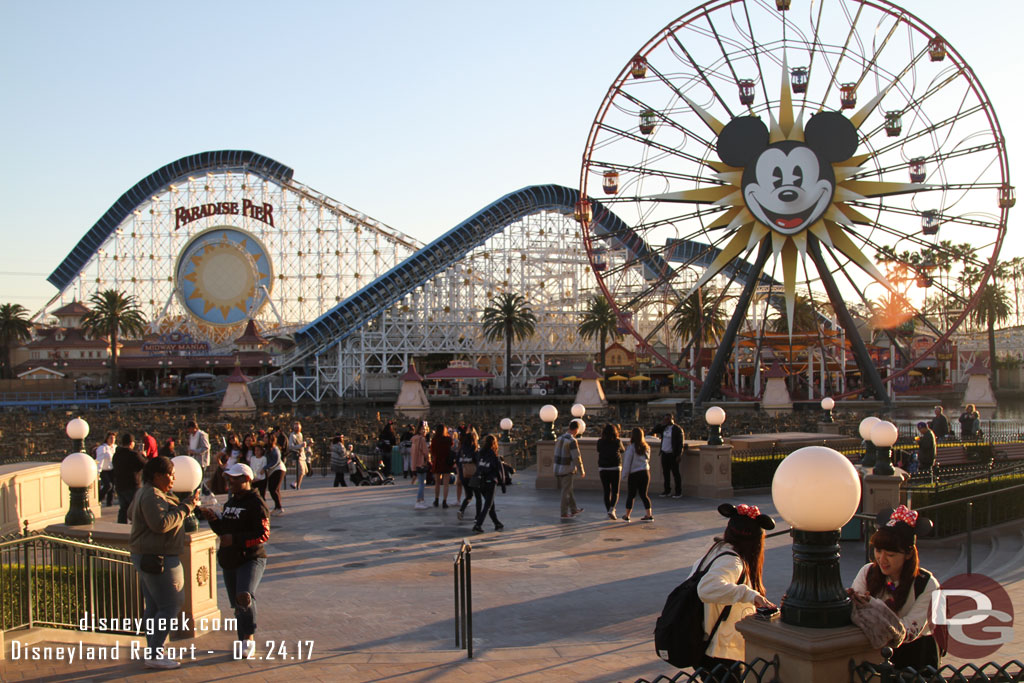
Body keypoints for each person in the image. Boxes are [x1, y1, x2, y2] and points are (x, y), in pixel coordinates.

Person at [128, 456, 200, 670]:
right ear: (158, 475)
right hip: (158, 558)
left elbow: (131, 513)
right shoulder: (151, 495)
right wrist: (186, 508)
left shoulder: (146, 492)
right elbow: (160, 525)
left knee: (153, 606)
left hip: (148, 557)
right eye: (171, 474)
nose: (174, 478)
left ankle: (153, 650)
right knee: (170, 605)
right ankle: (155, 652)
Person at [849, 506, 939, 669]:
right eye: (878, 551)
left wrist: (873, 605)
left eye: (891, 555)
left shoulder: (926, 584)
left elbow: (907, 632)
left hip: (915, 658)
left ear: (909, 554)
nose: (882, 559)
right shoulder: (867, 572)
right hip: (873, 654)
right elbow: (855, 614)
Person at [693, 503, 776, 674]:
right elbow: (706, 588)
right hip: (718, 651)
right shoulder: (732, 561)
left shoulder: (717, 551)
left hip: (703, 643)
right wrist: (749, 594)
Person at [198, 463, 270, 659]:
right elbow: (224, 531)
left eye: (235, 479)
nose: (230, 482)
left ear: (246, 480)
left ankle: (248, 639)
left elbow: (263, 534)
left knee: (244, 595)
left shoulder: (256, 504)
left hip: (251, 557)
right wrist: (213, 519)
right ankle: (242, 639)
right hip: (230, 559)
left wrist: (237, 540)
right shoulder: (231, 503)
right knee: (237, 604)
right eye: (229, 478)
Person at [472, 434, 505, 533]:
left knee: (490, 504)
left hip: (480, 482)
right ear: (494, 444)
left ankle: (497, 523)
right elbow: (500, 472)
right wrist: (503, 485)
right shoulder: (494, 456)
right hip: (490, 482)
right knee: (488, 505)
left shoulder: (480, 454)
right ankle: (478, 524)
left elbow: (477, 465)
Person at [553, 419, 585, 519]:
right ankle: (564, 513)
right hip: (567, 469)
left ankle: (574, 509)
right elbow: (576, 457)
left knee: (568, 489)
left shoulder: (560, 438)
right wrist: (581, 470)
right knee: (566, 492)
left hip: (557, 468)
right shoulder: (572, 441)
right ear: (576, 430)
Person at [112, 432, 146, 524]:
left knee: (123, 508)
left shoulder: (116, 455)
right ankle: (136, 526)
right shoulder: (133, 455)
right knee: (135, 509)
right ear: (131, 443)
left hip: (119, 485)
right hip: (132, 485)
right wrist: (142, 455)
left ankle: (120, 527)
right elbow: (145, 465)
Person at [621, 427, 653, 522]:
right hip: (645, 472)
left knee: (631, 495)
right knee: (644, 495)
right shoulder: (646, 447)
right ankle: (649, 515)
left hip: (634, 474)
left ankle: (627, 515)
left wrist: (624, 475)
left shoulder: (631, 448)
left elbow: (627, 463)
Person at [596, 423, 624, 520]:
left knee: (606, 491)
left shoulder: (600, 442)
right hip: (615, 468)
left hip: (603, 468)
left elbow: (598, 450)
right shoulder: (617, 441)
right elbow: (623, 450)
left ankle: (609, 510)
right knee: (615, 490)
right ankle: (612, 509)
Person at [655, 413, 684, 498]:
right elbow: (654, 431)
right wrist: (661, 423)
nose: (666, 421)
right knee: (665, 473)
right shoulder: (664, 428)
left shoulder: (677, 429)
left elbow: (680, 443)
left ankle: (678, 492)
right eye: (665, 419)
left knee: (675, 473)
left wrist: (679, 455)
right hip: (664, 453)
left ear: (672, 419)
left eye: (668, 419)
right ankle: (667, 491)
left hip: (673, 454)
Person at [456, 428, 480, 521]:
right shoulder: (475, 450)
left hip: (463, 476)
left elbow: (458, 463)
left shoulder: (461, 451)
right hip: (473, 476)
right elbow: (478, 464)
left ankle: (461, 510)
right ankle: (477, 517)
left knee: (469, 495)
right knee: (477, 497)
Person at [430, 424, 453, 508]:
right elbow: (451, 448)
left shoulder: (434, 439)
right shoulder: (448, 439)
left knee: (437, 483)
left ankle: (436, 500)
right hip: (446, 462)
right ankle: (444, 501)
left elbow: (432, 451)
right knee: (446, 483)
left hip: (438, 461)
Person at [265, 433, 287, 515]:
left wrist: (265, 467)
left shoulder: (275, 449)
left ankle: (279, 507)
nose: (264, 439)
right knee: (275, 489)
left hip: (278, 469)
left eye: (266, 438)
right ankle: (277, 507)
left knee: (273, 489)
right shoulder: (268, 448)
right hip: (273, 470)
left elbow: (276, 461)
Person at [186, 420, 211, 484]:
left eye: (189, 428)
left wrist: (194, 451)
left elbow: (206, 447)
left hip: (201, 461)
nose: (188, 430)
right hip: (193, 459)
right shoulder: (191, 436)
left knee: (199, 479)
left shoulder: (202, 435)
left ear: (193, 428)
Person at [95, 431, 116, 507]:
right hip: (104, 470)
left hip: (112, 470)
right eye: (110, 438)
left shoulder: (114, 447)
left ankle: (109, 503)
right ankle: (98, 499)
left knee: (112, 488)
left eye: (114, 438)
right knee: (108, 486)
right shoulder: (102, 448)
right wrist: (98, 471)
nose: (112, 440)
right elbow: (99, 460)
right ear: (107, 439)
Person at [287, 422, 309, 490]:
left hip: (302, 455)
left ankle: (295, 483)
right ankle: (297, 485)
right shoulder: (292, 435)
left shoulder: (300, 434)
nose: (297, 429)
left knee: (305, 470)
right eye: (295, 427)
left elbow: (301, 444)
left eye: (298, 427)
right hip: (297, 455)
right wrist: (300, 446)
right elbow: (290, 446)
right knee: (301, 471)